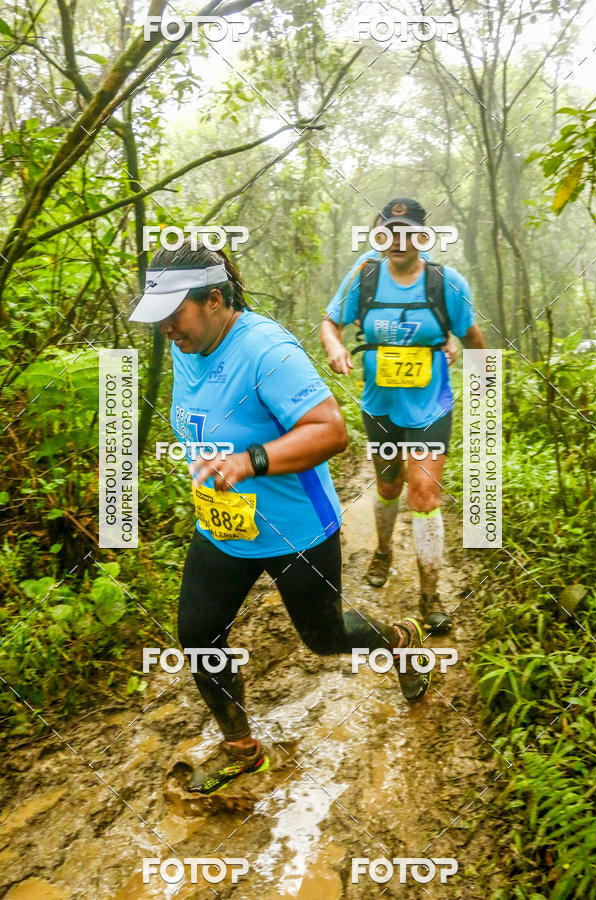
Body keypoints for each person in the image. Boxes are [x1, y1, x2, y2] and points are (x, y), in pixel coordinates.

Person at [129, 240, 431, 796]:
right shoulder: (185, 344)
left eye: (174, 315)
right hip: (223, 527)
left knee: (325, 637)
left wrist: (250, 461)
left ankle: (399, 639)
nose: (167, 329)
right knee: (198, 636)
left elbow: (331, 431)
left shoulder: (268, 351)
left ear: (214, 300)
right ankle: (241, 749)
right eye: (161, 320)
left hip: (297, 532)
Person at [320, 197, 486, 633]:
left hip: (431, 406)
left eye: (408, 231)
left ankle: (430, 596)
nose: (398, 240)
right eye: (389, 231)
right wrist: (336, 346)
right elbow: (329, 322)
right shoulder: (364, 276)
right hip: (380, 405)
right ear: (379, 235)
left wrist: (484, 386)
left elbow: (472, 337)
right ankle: (383, 551)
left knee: (424, 494)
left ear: (422, 236)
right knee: (389, 485)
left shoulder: (446, 283)